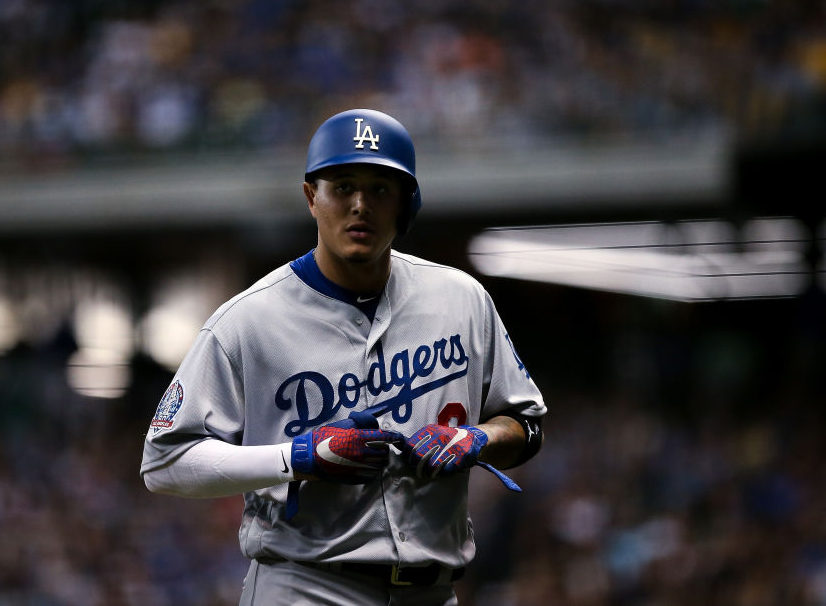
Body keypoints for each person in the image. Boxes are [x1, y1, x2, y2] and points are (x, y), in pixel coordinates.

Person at [140, 109, 547, 605]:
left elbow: (526, 426)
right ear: (313, 197)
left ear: (405, 202)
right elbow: (164, 462)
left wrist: (478, 438)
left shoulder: (462, 299)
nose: (360, 205)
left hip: (434, 591)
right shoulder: (247, 320)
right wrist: (297, 457)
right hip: (305, 586)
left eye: (380, 189)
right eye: (343, 186)